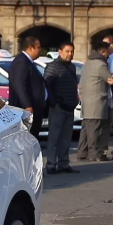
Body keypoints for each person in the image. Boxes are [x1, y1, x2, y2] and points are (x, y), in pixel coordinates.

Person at [43, 42, 80, 173]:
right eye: (67, 51)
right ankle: (51, 164)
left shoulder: (72, 67)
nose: (70, 54)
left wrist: (75, 100)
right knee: (54, 137)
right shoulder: (53, 67)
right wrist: (54, 102)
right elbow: (47, 85)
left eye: (71, 51)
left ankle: (64, 163)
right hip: (58, 107)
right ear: (59, 51)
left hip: (70, 107)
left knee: (66, 138)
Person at [77, 40, 113, 163]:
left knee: (86, 129)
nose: (108, 55)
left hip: (87, 101)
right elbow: (111, 79)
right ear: (102, 52)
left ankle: (82, 153)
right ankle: (94, 154)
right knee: (95, 129)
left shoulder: (87, 64)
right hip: (97, 103)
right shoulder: (100, 65)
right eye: (107, 53)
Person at [7, 35, 49, 135]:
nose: (40, 50)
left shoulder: (29, 62)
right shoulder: (21, 62)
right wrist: (27, 106)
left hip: (35, 108)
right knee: (27, 138)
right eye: (38, 47)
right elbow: (19, 85)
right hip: (26, 110)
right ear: (31, 48)